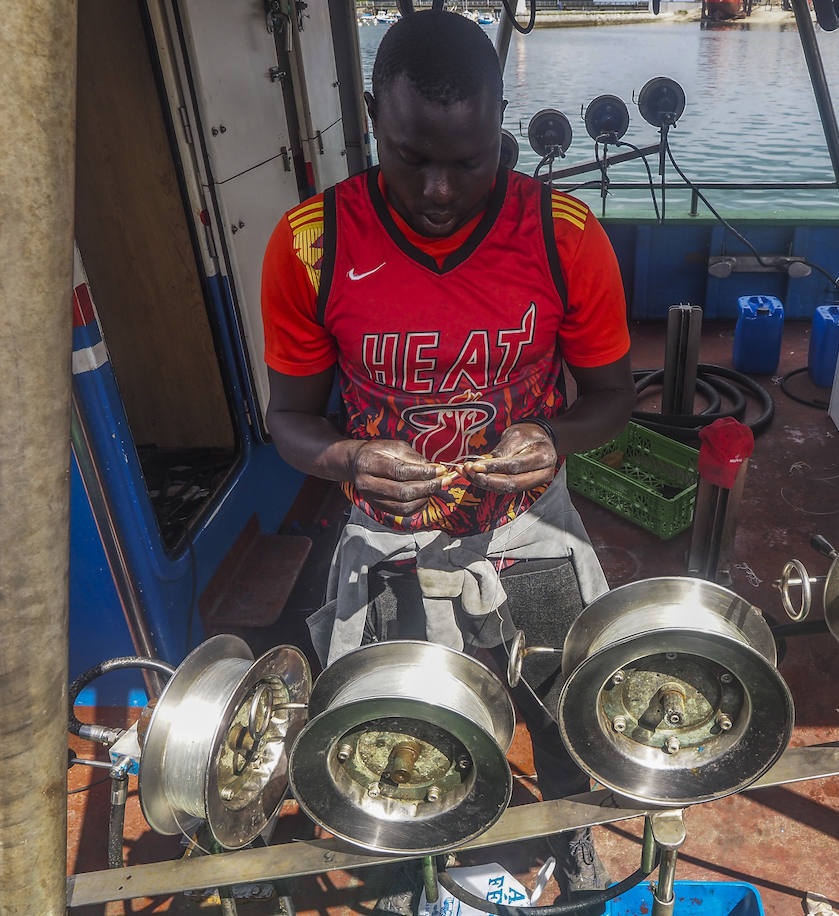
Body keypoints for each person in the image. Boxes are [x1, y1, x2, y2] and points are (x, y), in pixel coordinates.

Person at [259, 7, 634, 904]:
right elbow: (288, 422)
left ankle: (572, 846)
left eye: (468, 163)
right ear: (370, 120)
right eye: (408, 158)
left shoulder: (564, 236)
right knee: (395, 728)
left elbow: (615, 401)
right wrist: (349, 457)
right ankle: (400, 871)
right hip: (385, 532)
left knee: (556, 697)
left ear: (501, 123)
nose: (435, 190)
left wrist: (553, 439)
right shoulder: (313, 245)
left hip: (527, 522)